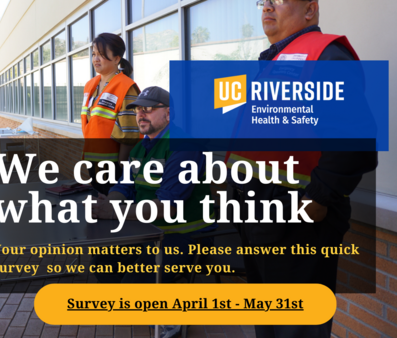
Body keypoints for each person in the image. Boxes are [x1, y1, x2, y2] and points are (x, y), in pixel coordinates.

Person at [225, 1, 378, 337]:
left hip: (297, 220)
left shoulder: (325, 55)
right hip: (261, 216)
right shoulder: (275, 61)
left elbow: (356, 141)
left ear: (310, 10)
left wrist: (319, 197)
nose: (267, 5)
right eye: (262, 0)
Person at [92, 86, 217, 338]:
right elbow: (123, 186)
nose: (141, 114)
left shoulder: (184, 147)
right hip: (150, 231)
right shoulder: (141, 147)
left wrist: (112, 211)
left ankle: (170, 320)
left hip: (186, 236)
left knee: (135, 282)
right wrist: (110, 203)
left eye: (148, 109)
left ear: (169, 114)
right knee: (104, 260)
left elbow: (167, 207)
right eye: (138, 109)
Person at [81, 33, 141, 194]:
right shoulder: (90, 86)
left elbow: (130, 131)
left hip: (115, 167)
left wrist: (122, 167)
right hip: (94, 163)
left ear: (116, 58)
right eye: (93, 54)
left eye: (101, 55)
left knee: (113, 211)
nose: (95, 59)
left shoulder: (125, 86)